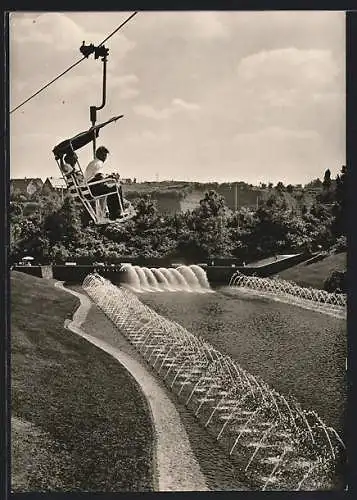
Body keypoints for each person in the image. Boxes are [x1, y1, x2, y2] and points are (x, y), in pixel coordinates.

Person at [84, 146, 124, 220]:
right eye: (105, 155)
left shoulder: (93, 163)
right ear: (100, 155)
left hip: (89, 188)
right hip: (93, 189)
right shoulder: (99, 163)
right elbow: (99, 176)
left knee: (110, 188)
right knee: (117, 187)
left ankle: (114, 213)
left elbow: (97, 176)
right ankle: (116, 213)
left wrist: (108, 177)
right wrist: (110, 177)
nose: (105, 157)